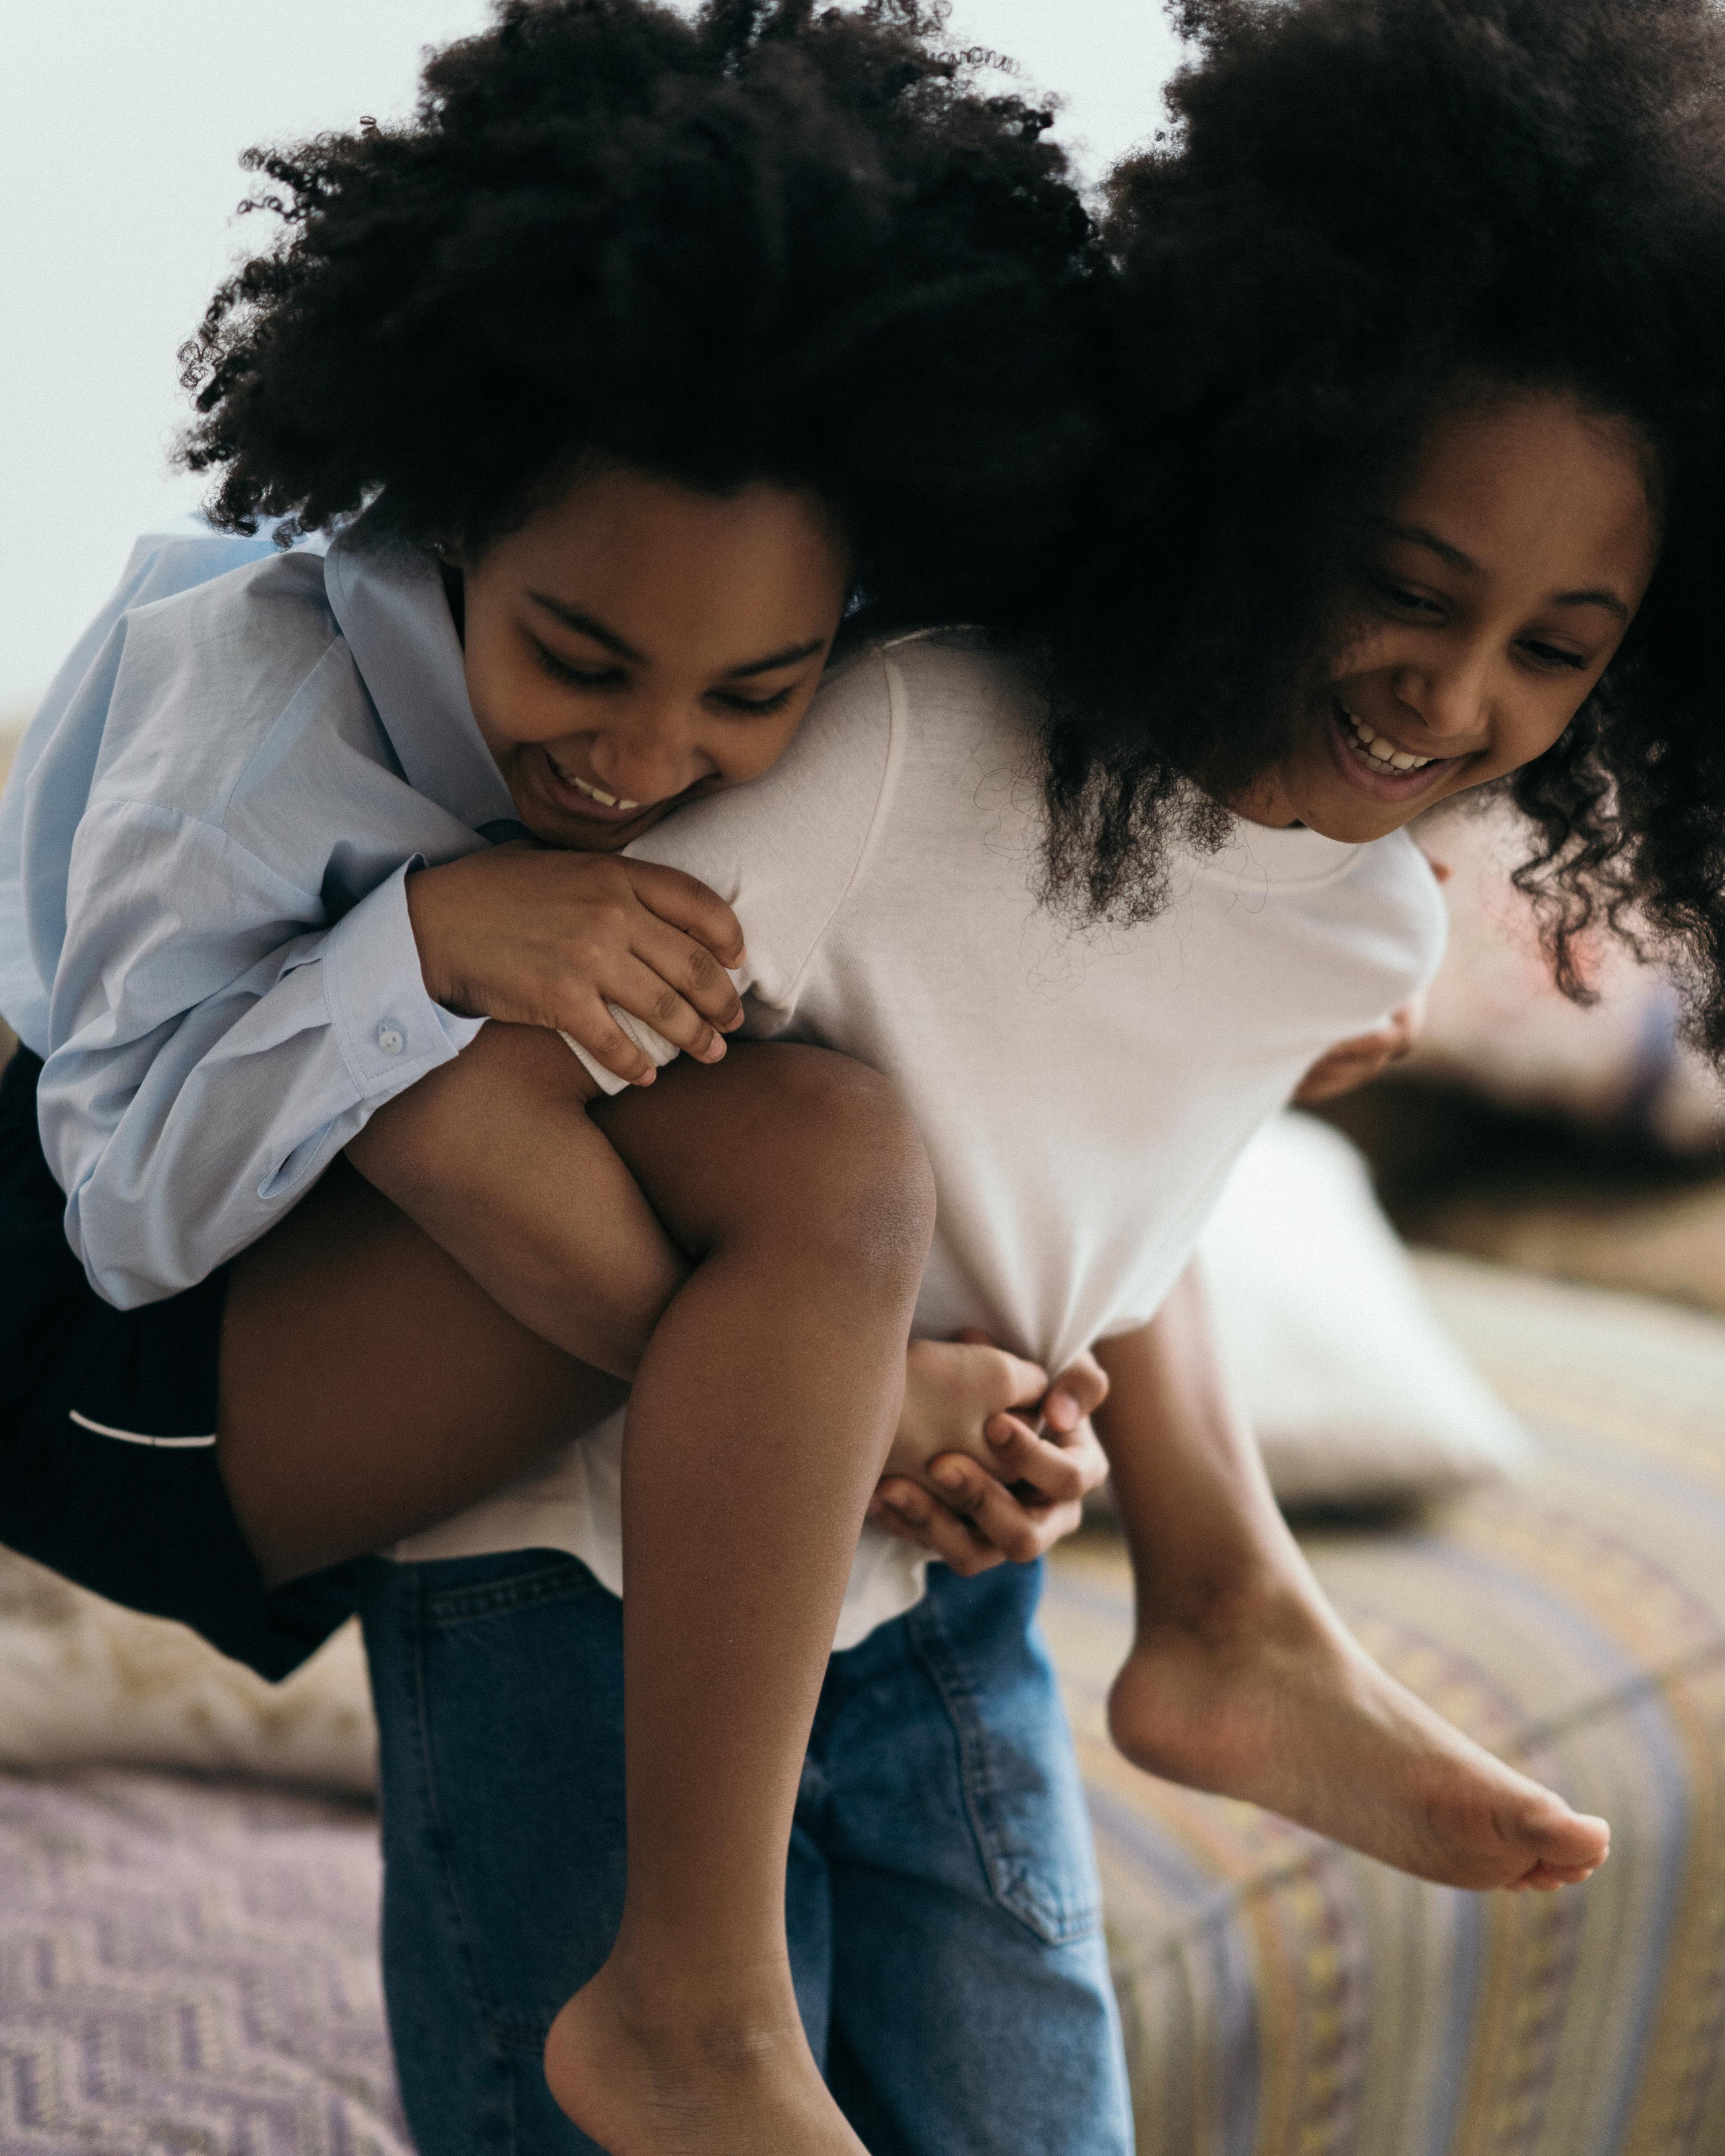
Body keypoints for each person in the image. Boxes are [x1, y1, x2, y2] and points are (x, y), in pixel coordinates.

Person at [0, 7, 1115, 2154]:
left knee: (826, 1128)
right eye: (578, 662)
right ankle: (685, 1997)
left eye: (748, 695)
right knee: (726, 1142)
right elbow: (125, 1185)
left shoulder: (830, 679)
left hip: (315, 1231)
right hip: (89, 1335)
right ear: (443, 516)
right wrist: (416, 947)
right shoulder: (257, 714)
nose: (635, 762)